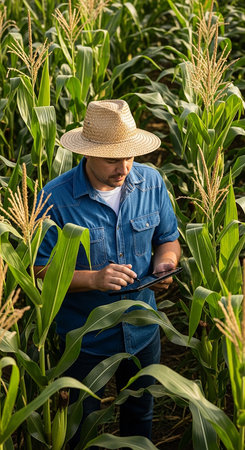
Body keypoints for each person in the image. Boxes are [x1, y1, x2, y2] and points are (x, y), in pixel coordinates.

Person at [34, 99, 181, 446]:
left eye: (130, 156)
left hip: (144, 330)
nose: (124, 167)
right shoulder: (55, 198)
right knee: (80, 427)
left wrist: (166, 264)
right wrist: (95, 279)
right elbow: (40, 270)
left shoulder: (152, 182)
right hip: (85, 339)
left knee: (141, 414)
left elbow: (168, 239)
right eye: (113, 159)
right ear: (87, 154)